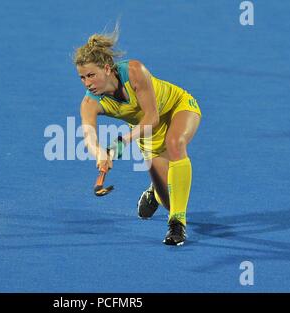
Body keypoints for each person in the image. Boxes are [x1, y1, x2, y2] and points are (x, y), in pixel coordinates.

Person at [74, 26, 201, 245]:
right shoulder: (89, 104)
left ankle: (177, 225)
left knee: (175, 144)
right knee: (170, 200)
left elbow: (152, 118)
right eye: (82, 77)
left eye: (91, 75)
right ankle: (155, 193)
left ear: (106, 69)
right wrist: (100, 154)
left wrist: (122, 142)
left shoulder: (134, 71)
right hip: (146, 134)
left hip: (176, 108)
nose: (87, 83)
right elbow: (89, 136)